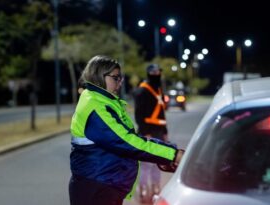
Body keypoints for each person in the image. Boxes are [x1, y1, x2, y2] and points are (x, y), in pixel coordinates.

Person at [69, 55, 184, 205]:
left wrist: (163, 153)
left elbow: (128, 138)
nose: (120, 82)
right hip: (97, 187)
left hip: (102, 182)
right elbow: (126, 141)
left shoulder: (103, 100)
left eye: (120, 78)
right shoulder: (95, 105)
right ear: (98, 76)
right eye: (115, 78)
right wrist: (172, 154)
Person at [133, 64, 168, 202]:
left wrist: (165, 131)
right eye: (155, 72)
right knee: (147, 164)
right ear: (149, 73)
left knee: (159, 162)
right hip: (146, 132)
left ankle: (155, 188)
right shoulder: (142, 90)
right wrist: (145, 132)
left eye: (159, 71)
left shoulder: (158, 89)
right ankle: (143, 189)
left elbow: (162, 114)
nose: (158, 74)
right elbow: (138, 115)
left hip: (159, 131)